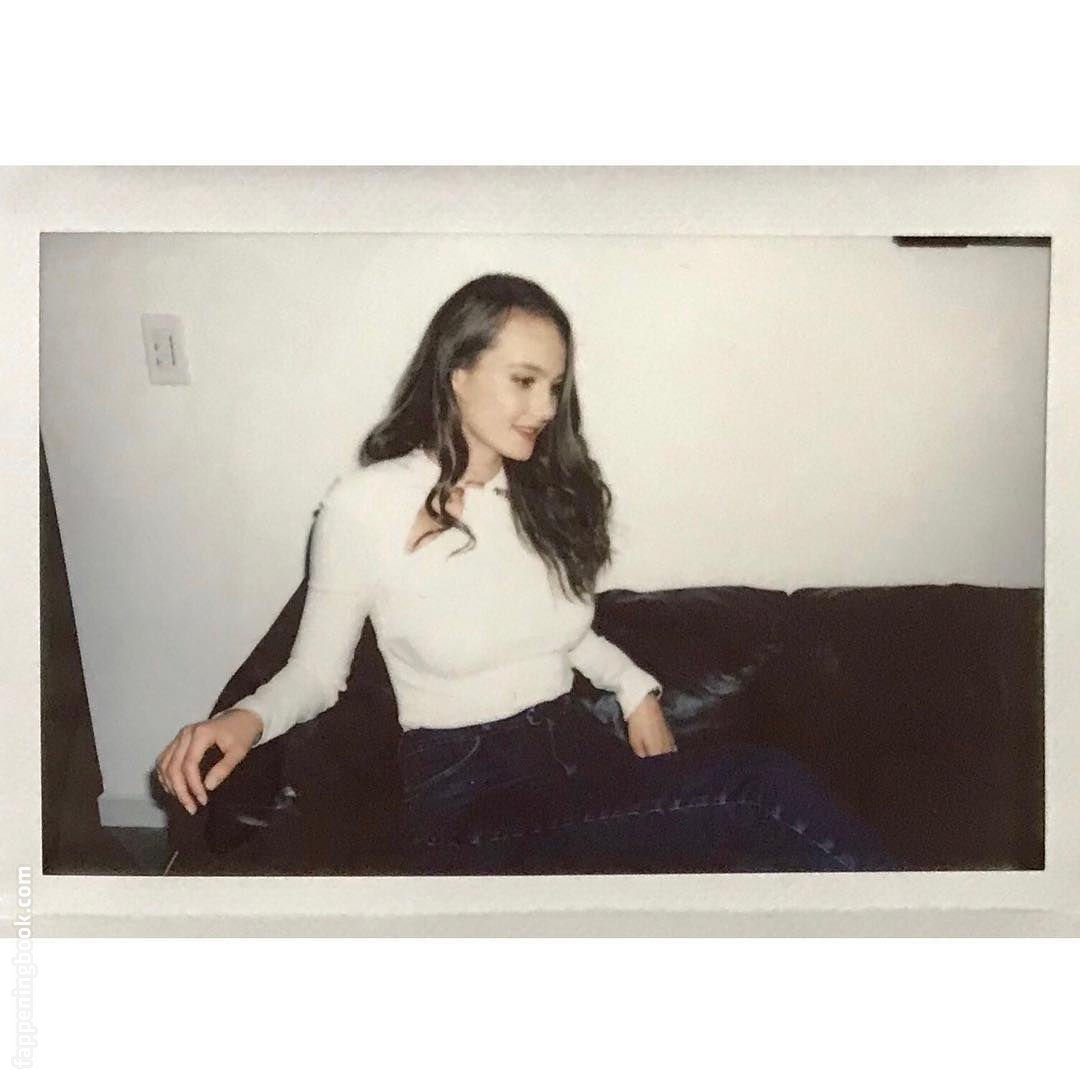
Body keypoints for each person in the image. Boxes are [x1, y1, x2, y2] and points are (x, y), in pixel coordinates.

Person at [155, 273, 900, 874]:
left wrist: (634, 688)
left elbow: (558, 632)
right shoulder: (365, 504)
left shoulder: (539, 495)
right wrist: (244, 719)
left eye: (554, 386)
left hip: (576, 754)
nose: (544, 407)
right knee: (760, 789)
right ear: (457, 373)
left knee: (752, 850)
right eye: (524, 380)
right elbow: (318, 674)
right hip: (469, 794)